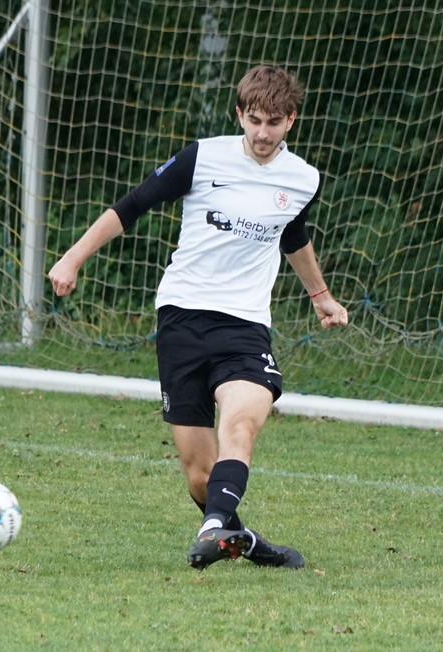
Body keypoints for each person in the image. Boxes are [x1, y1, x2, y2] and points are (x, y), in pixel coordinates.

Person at [48, 66, 348, 570]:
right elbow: (133, 204)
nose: (263, 133)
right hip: (182, 318)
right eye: (254, 121)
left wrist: (320, 295)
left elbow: (293, 234)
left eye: (274, 123)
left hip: (244, 327)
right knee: (200, 477)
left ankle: (213, 529)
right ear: (240, 114)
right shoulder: (202, 157)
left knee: (240, 427)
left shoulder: (303, 179)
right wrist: (72, 258)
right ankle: (242, 539)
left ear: (291, 120)